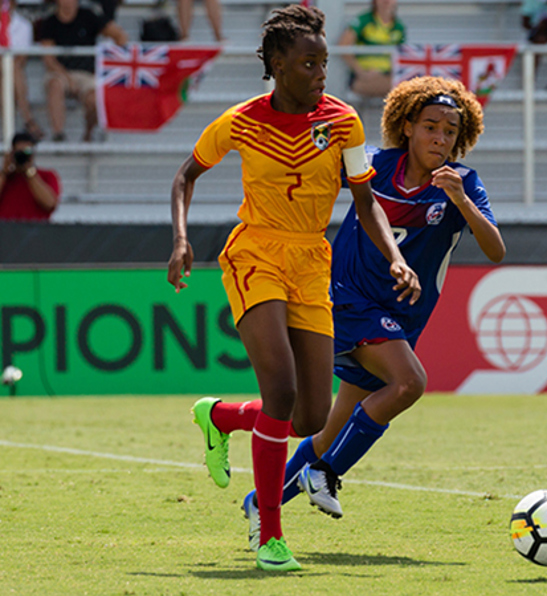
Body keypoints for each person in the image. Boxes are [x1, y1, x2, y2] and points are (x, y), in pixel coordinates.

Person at [167, 4, 419, 571]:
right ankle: (270, 538)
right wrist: (181, 240)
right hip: (255, 250)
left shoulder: (344, 122)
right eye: (309, 62)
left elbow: (365, 200)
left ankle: (221, 415)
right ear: (278, 66)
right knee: (279, 392)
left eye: (324, 62)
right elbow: (186, 175)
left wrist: (396, 256)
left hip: (311, 259)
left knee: (308, 418)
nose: (321, 72)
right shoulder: (241, 121)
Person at [233, 76, 505, 551]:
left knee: (326, 427)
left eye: (449, 132)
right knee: (409, 383)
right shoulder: (374, 166)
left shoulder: (463, 185)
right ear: (407, 127)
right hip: (347, 299)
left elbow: (496, 250)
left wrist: (461, 199)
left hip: (400, 321)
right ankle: (325, 474)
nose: (439, 139)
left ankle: (264, 499)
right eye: (430, 127)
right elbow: (311, 177)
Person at [36, 0, 129, 142]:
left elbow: (120, 36)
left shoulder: (89, 16)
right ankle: (58, 134)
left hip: (86, 73)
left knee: (94, 98)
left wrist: (108, 64)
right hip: (60, 72)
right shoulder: (49, 22)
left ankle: (88, 133)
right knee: (54, 85)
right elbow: (49, 59)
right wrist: (66, 77)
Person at [337, 0, 404, 99]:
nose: (387, 1)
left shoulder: (398, 26)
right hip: (362, 78)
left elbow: (401, 56)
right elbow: (343, 45)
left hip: (387, 76)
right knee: (402, 89)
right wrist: (361, 72)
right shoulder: (364, 20)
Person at [2, 0, 45, 140]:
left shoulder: (24, 25)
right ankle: (28, 120)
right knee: (13, 71)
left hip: (12, 73)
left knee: (13, 70)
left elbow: (22, 58)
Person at [0, 132, 60, 220]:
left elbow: (50, 204)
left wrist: (30, 173)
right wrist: (4, 172)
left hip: (35, 230)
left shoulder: (47, 176)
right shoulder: (5, 179)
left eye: (27, 152)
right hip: (6, 230)